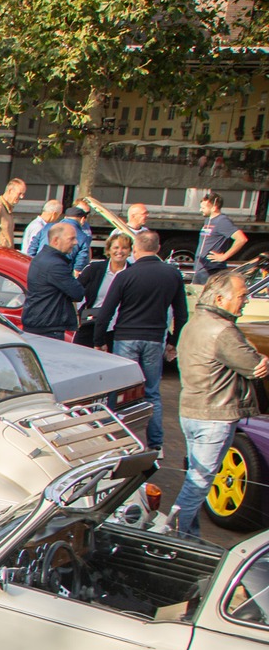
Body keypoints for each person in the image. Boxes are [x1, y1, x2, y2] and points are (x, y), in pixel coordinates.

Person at [175, 269, 267, 536]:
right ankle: (172, 536)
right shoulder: (224, 331)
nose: (246, 300)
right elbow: (253, 365)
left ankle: (190, 539)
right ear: (219, 300)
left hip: (191, 410)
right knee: (198, 484)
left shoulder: (195, 323)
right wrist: (262, 359)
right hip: (214, 415)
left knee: (196, 477)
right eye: (241, 295)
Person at [95, 229, 190, 454]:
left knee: (122, 391)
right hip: (155, 338)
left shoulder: (125, 276)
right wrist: (173, 341)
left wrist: (99, 340)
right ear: (158, 249)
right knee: (152, 392)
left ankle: (120, 442)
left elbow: (106, 311)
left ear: (135, 250)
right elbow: (182, 313)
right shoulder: (172, 274)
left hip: (126, 336)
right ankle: (156, 444)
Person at [23, 222, 85, 341]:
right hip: (48, 328)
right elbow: (78, 293)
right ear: (56, 240)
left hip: (40, 323)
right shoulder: (56, 265)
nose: (75, 242)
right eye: (71, 239)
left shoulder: (41, 257)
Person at [195, 192, 248, 284]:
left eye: (203, 208)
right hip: (202, 268)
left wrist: (224, 256)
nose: (200, 210)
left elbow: (242, 239)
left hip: (212, 270)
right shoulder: (208, 220)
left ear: (214, 208)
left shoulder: (222, 221)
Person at [62, 205, 94, 274]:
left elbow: (33, 248)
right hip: (65, 272)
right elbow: (82, 259)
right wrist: (77, 272)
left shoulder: (46, 228)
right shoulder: (82, 236)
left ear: (65, 217)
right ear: (82, 219)